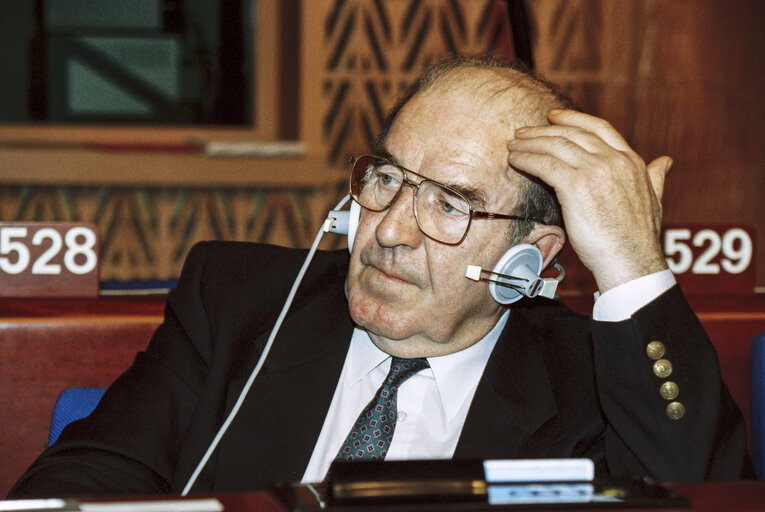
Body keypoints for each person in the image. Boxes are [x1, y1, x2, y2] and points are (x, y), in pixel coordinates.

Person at [8, 55, 752, 498]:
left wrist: (631, 266)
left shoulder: (587, 374)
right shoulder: (240, 304)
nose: (389, 230)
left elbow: (704, 493)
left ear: (533, 256)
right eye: (387, 178)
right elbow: (73, 488)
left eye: (451, 204)